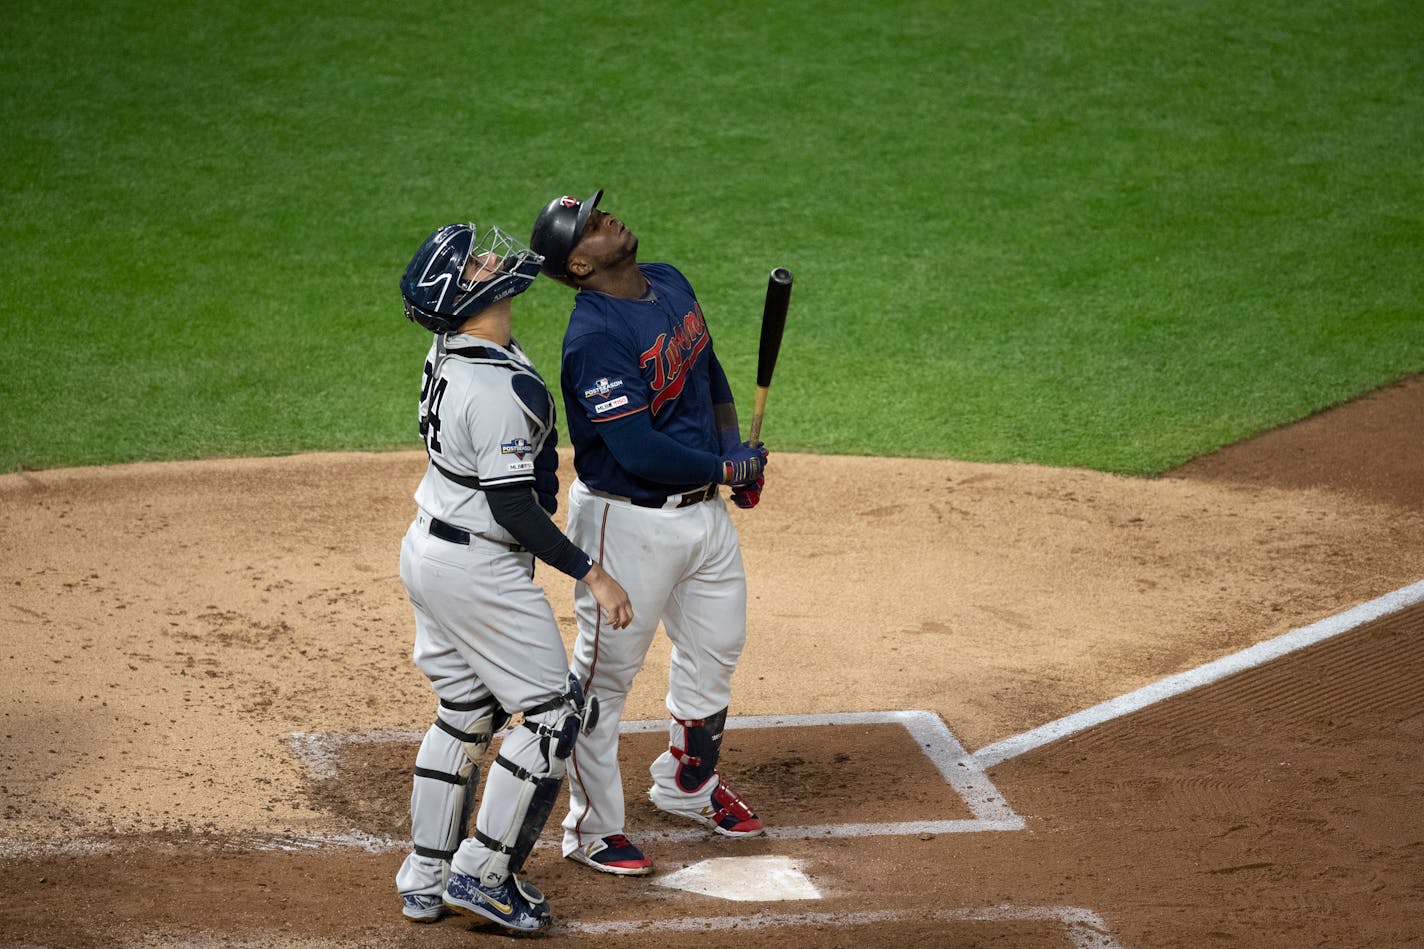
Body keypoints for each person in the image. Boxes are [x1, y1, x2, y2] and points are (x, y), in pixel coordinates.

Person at [392, 221, 634, 932]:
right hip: (479, 565)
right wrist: (592, 574)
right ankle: (483, 873)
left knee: (466, 710)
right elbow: (512, 506)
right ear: (463, 300)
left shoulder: (457, 344)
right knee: (553, 716)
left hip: (431, 548)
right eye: (474, 265)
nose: (491, 259)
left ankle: (426, 873)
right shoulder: (491, 386)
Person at [528, 190, 770, 876]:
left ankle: (687, 783)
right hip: (625, 523)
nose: (609, 219)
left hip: (704, 515)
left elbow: (707, 371)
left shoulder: (668, 281)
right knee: (604, 679)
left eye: (601, 212)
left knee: (716, 645)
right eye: (591, 225)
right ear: (577, 264)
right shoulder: (594, 337)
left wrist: (733, 457)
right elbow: (634, 447)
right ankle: (592, 828)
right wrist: (726, 463)